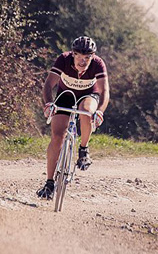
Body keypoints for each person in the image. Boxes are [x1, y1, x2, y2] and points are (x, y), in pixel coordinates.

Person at [36, 36, 110, 200]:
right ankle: (49, 183)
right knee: (56, 137)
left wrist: (100, 111)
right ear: (73, 54)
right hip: (65, 95)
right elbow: (49, 85)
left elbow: (105, 92)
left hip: (89, 96)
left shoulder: (98, 64)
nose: (83, 62)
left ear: (92, 57)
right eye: (79, 57)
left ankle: (83, 149)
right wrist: (49, 104)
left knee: (86, 111)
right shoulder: (63, 59)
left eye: (87, 58)